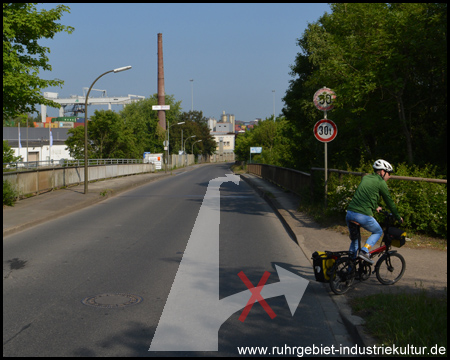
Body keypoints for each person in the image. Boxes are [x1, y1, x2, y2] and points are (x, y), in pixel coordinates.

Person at [346, 159, 403, 264]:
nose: (389, 176)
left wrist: (375, 206)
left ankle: (350, 270)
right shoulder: (381, 183)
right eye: (389, 173)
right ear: (382, 172)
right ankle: (364, 251)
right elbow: (389, 201)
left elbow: (365, 194)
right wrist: (398, 217)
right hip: (362, 215)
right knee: (378, 231)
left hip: (350, 213)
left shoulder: (366, 178)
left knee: (355, 241)